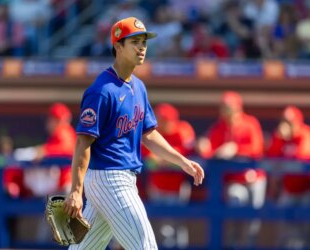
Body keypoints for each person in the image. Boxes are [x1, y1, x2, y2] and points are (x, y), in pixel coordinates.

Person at [63, 17, 204, 250]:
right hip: (110, 178)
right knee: (145, 246)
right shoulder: (101, 90)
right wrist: (76, 191)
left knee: (83, 248)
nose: (142, 48)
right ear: (118, 46)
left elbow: (148, 134)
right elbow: (83, 143)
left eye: (144, 42)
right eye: (135, 42)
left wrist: (182, 161)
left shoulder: (138, 86)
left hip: (120, 178)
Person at [196, 91, 265, 246]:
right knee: (234, 211)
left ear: (237, 108)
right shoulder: (219, 126)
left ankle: (248, 246)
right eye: (223, 106)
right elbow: (210, 152)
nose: (224, 110)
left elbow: (257, 149)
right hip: (235, 180)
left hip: (255, 179)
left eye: (227, 107)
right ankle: (234, 246)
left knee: (253, 221)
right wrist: (204, 148)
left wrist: (236, 149)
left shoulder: (250, 123)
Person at [266, 105, 310, 248]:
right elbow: (270, 157)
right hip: (288, 189)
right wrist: (278, 139)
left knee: (305, 229)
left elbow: (304, 157)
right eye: (284, 121)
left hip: (307, 189)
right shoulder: (280, 136)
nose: (286, 125)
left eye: (290, 122)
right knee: (284, 226)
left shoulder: (305, 133)